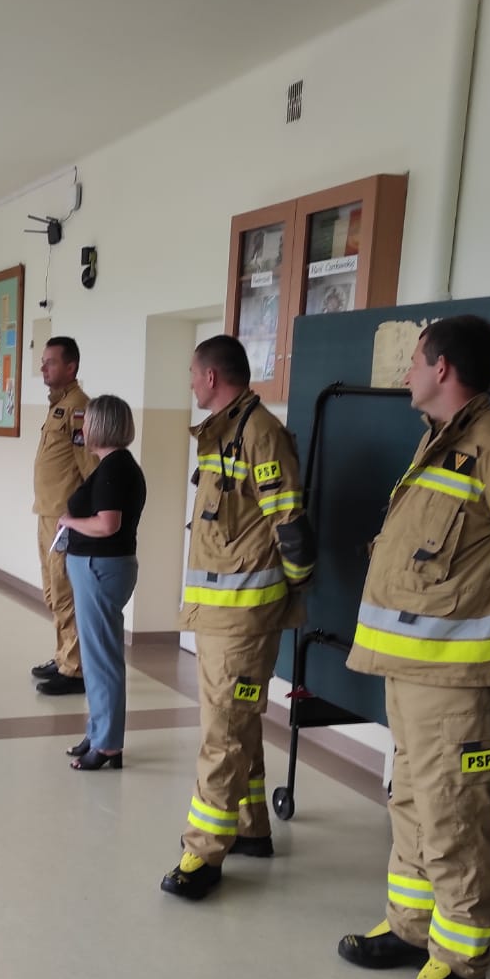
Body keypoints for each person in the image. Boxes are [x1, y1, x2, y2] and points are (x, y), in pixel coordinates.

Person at [336, 315, 490, 979]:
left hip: (457, 681)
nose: (407, 371)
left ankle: (462, 962)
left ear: (442, 368)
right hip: (411, 671)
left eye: (414, 359)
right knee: (411, 803)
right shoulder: (442, 441)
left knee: (455, 818)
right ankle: (412, 927)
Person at [160, 336, 315, 901]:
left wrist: (286, 591)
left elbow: (289, 526)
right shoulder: (222, 432)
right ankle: (250, 827)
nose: (190, 382)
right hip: (220, 614)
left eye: (192, 373)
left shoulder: (260, 434)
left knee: (221, 733)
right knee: (237, 723)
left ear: (211, 377)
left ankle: (203, 853)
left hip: (245, 617)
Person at [55, 395, 146, 771]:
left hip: (100, 568)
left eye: (88, 421)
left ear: (102, 426)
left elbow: (108, 524)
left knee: (101, 660)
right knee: (96, 660)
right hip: (101, 567)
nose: (83, 427)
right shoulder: (114, 465)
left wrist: (68, 522)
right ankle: (98, 733)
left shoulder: (114, 470)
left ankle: (107, 744)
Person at [30, 338, 97, 697]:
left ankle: (75, 670)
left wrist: (83, 517)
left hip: (64, 518)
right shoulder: (58, 405)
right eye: (43, 361)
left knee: (65, 592)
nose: (43, 368)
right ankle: (63, 656)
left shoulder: (79, 408)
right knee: (52, 592)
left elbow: (89, 467)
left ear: (71, 367)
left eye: (51, 362)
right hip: (46, 513)